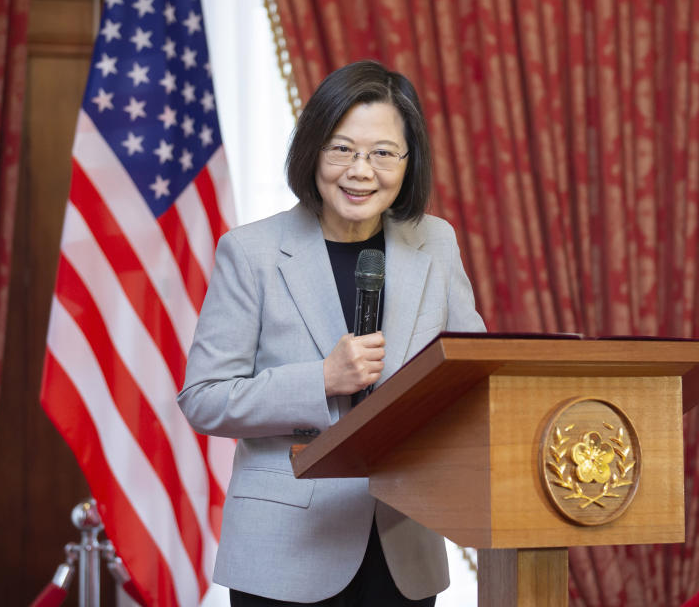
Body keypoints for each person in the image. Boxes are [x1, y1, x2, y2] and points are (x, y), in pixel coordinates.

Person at [178, 60, 486, 606]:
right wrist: (321, 379)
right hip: (285, 550)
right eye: (341, 148)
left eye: (383, 153)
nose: (361, 171)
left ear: (408, 162)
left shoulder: (435, 243)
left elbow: (472, 375)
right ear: (312, 151)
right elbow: (203, 399)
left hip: (402, 548)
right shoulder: (252, 253)